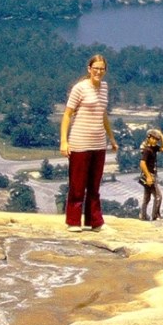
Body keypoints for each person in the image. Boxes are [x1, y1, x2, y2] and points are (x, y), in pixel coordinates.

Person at [60, 54, 118, 231]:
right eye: (96, 68)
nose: (98, 72)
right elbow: (67, 115)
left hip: (98, 142)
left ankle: (95, 221)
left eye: (102, 69)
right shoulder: (80, 88)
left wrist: (111, 138)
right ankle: (73, 221)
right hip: (80, 141)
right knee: (77, 184)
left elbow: (103, 114)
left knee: (94, 185)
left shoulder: (104, 87)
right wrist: (64, 141)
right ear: (89, 69)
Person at [139, 127, 163, 221]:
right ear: (149, 138)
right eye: (154, 138)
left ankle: (143, 215)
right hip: (149, 175)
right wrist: (148, 176)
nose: (155, 141)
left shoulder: (153, 148)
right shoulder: (147, 150)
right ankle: (155, 216)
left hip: (150, 175)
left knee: (147, 197)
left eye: (157, 139)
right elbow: (142, 163)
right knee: (158, 196)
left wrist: (162, 137)